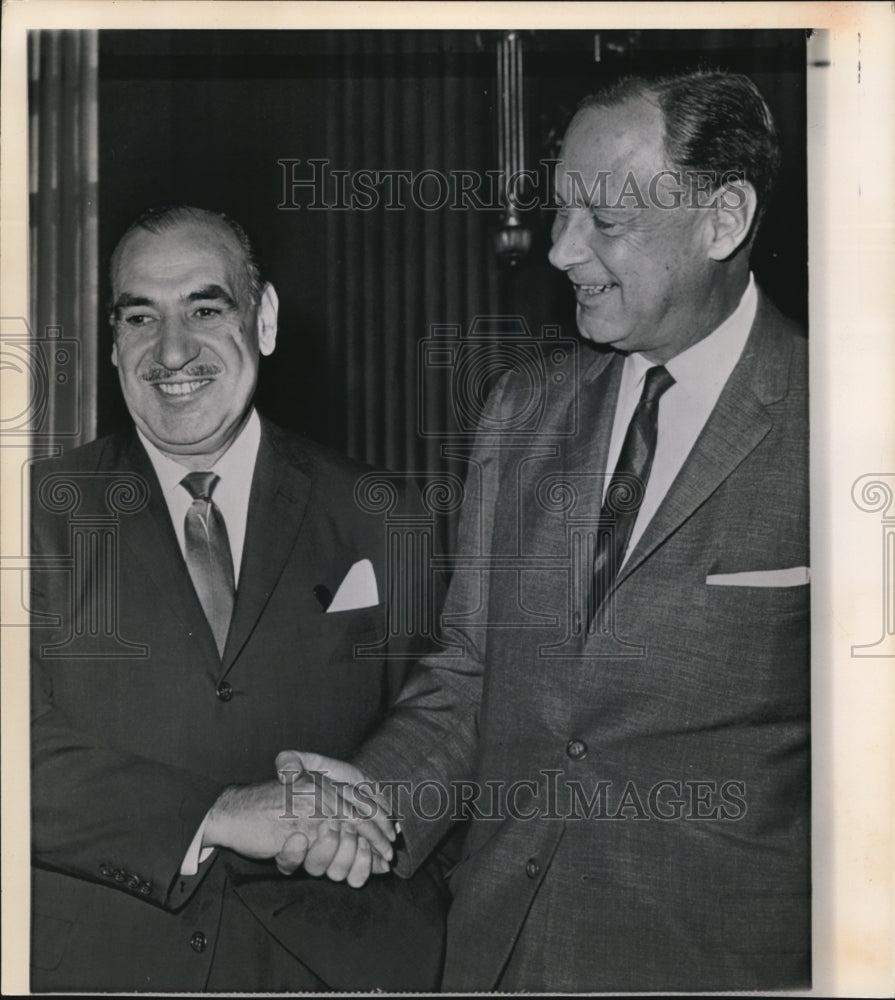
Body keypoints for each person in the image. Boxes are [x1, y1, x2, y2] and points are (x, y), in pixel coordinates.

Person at [279, 71, 810, 992]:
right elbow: (471, 676)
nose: (560, 251)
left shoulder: (847, 425)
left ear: (723, 220)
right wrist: (366, 801)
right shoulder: (522, 410)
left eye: (604, 221)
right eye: (558, 211)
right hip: (506, 958)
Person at [29, 205, 447, 992]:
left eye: (205, 307)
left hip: (338, 960)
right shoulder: (33, 515)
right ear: (113, 344)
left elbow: (442, 718)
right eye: (140, 316)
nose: (172, 350)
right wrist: (217, 811)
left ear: (266, 318)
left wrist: (371, 821)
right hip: (100, 967)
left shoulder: (384, 514)